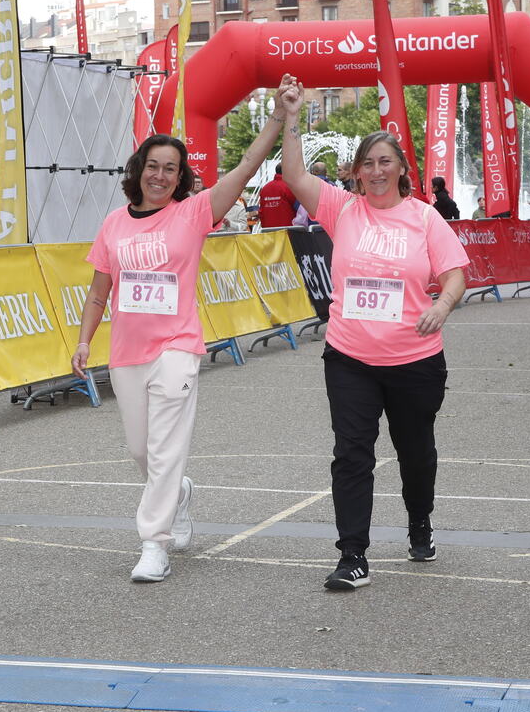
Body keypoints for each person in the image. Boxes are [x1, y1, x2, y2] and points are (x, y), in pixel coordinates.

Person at [71, 75, 296, 583]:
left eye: (170, 169)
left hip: (177, 347)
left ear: (180, 177)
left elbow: (245, 166)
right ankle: (180, 492)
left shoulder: (193, 214)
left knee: (166, 447)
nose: (160, 176)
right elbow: (98, 292)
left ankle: (154, 543)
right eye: (153, 166)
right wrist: (84, 341)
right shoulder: (114, 224)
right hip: (127, 352)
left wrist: (278, 116)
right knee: (141, 451)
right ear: (139, 170)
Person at [276, 76, 468, 591]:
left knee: (415, 453)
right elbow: (293, 174)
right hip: (350, 358)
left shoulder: (424, 218)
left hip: (414, 360)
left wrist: (442, 305)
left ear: (402, 169)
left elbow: (455, 274)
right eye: (368, 164)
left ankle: (420, 522)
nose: (377, 171)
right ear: (357, 172)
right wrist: (292, 115)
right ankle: (353, 556)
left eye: (386, 162)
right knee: (351, 453)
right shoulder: (342, 208)